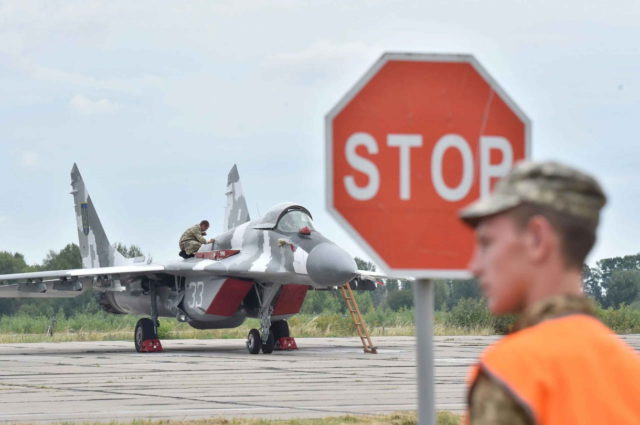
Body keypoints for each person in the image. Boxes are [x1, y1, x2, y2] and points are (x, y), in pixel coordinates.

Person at [459, 161, 640, 425]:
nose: (474, 266)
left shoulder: (511, 371)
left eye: (487, 243)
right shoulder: (629, 369)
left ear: (537, 239)